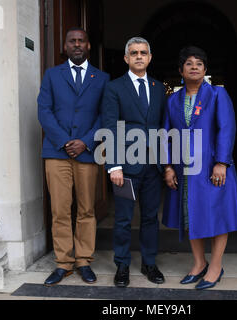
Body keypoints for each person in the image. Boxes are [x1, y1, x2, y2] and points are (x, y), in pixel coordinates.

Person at [162, 46, 237, 290]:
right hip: (184, 169)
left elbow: (227, 128)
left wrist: (222, 162)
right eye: (188, 63)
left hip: (212, 166)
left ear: (205, 70)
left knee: (218, 215)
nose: (194, 67)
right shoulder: (172, 100)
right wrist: (168, 166)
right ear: (181, 70)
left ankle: (216, 265)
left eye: (199, 64)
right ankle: (199, 262)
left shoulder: (218, 95)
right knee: (191, 214)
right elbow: (166, 135)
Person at [37, 27, 110, 286]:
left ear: (88, 45)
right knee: (60, 210)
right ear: (65, 46)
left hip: (88, 153)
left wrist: (86, 142)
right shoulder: (52, 75)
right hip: (56, 152)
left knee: (86, 209)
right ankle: (63, 263)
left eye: (81, 41)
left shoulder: (102, 78)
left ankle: (83, 261)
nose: (77, 45)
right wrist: (66, 141)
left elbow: (105, 115)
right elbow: (44, 111)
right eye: (72, 41)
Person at [101, 37, 167, 288]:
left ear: (149, 57)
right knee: (123, 219)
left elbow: (162, 126)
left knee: (151, 216)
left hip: (153, 165)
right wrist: (114, 165)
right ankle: (122, 265)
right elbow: (110, 126)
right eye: (133, 53)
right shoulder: (114, 87)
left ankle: (149, 263)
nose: (139, 56)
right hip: (125, 165)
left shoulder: (159, 88)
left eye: (143, 52)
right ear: (126, 58)